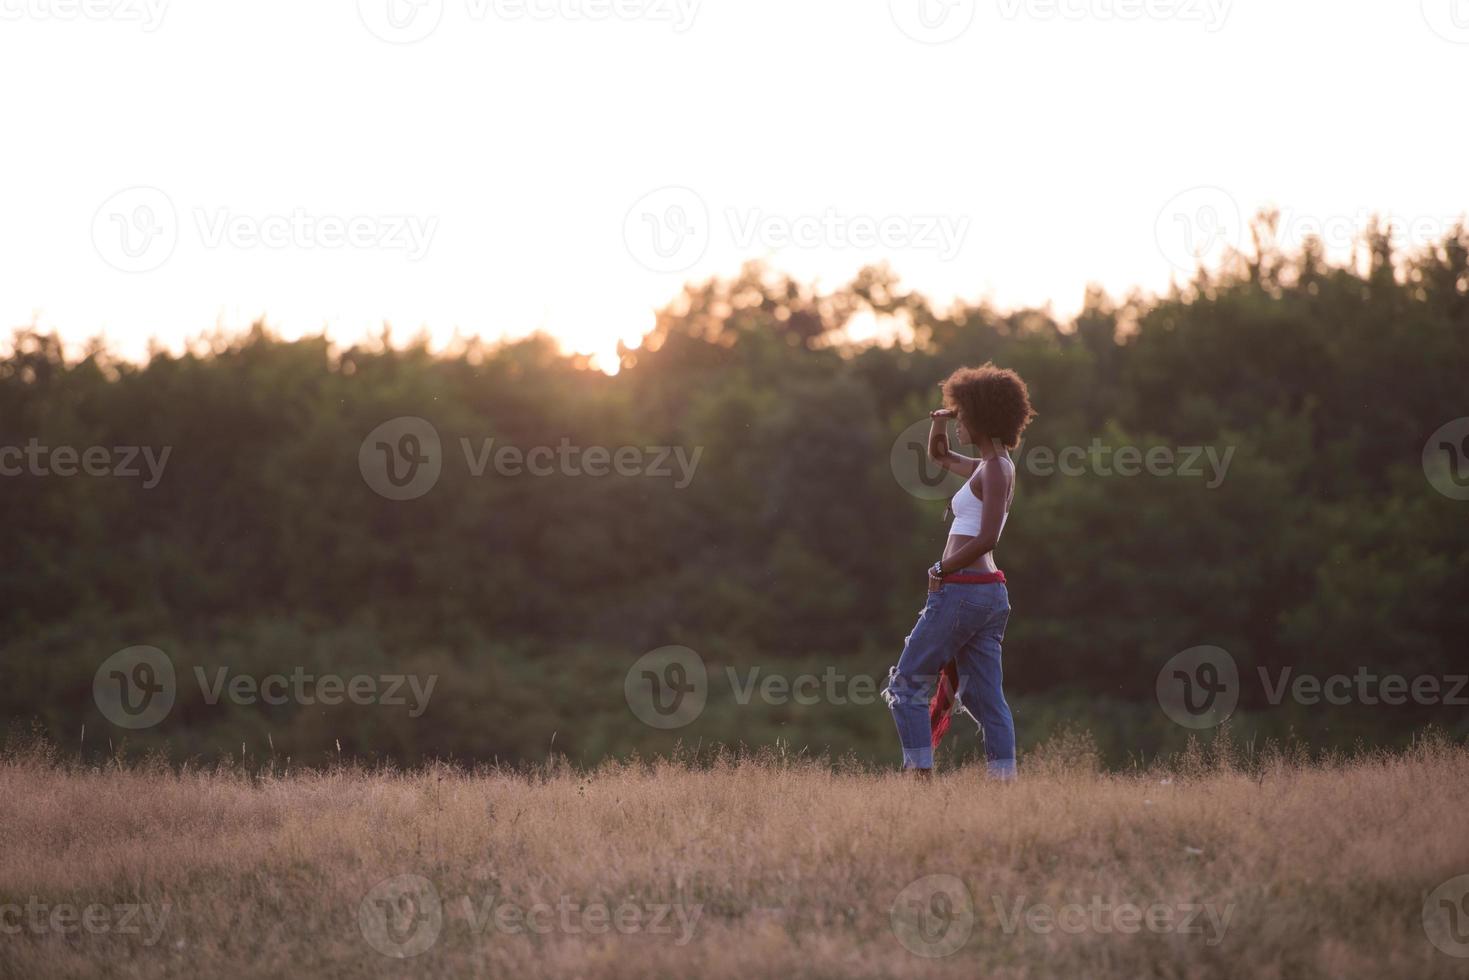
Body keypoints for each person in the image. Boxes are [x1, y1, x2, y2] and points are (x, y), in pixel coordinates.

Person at [883, 363, 1036, 776]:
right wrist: (939, 420)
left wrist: (940, 568)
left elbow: (988, 539)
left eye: (962, 415)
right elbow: (938, 455)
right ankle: (1003, 782)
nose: (958, 424)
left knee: (906, 685)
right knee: (986, 700)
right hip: (983, 594)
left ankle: (919, 777)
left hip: (965, 589)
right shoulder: (990, 466)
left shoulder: (998, 469)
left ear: (983, 418)